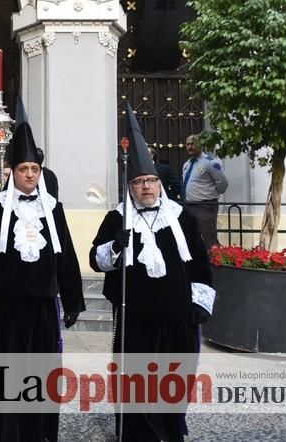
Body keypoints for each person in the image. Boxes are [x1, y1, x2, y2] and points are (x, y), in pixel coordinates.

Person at [90, 109, 214, 442]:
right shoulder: (117, 218)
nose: (146, 187)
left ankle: (171, 432)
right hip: (135, 319)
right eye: (139, 182)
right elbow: (95, 260)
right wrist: (115, 248)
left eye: (151, 181)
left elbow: (201, 265)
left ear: (159, 183)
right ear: (130, 186)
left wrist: (200, 304)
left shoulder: (182, 218)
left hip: (177, 318)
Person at [0, 123, 85, 441]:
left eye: (34, 169)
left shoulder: (53, 210)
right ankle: (3, 432)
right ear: (12, 172)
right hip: (4, 309)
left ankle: (38, 432)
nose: (30, 174)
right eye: (23, 169)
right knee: (5, 375)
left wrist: (73, 300)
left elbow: (66, 257)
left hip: (43, 307)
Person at [180, 134, 229, 247]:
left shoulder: (210, 163)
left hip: (205, 206)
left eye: (192, 144)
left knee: (208, 236)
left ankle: (213, 261)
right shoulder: (187, 164)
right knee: (190, 236)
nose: (189, 147)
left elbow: (223, 183)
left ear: (200, 145)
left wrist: (211, 194)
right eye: (187, 144)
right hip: (188, 205)